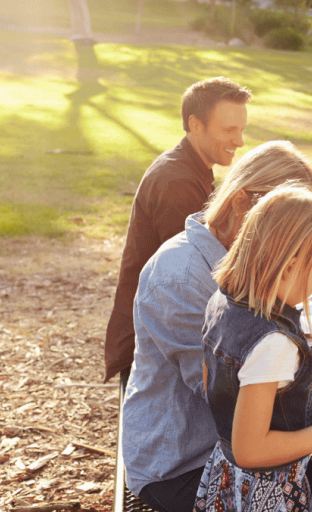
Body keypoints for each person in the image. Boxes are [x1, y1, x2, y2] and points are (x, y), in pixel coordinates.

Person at [122, 141, 312, 512]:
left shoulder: (238, 282)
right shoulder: (181, 277)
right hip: (182, 462)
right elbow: (225, 390)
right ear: (243, 205)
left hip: (230, 449)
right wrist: (311, 404)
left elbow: (252, 368)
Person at [193, 185, 312, 512]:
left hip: (229, 479)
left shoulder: (223, 301)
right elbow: (251, 449)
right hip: (267, 493)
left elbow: (217, 386)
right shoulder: (273, 342)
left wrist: (307, 396)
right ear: (289, 266)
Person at [104, 76, 251, 382]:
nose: (239, 141)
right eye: (229, 130)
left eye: (242, 129)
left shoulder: (194, 167)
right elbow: (189, 279)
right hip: (152, 343)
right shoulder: (177, 184)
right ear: (196, 126)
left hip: (166, 329)